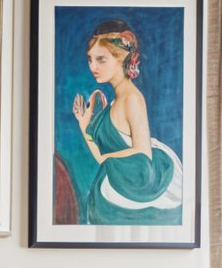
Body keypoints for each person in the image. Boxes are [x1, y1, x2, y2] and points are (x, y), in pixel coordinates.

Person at [70, 19, 182, 226]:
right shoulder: (117, 99)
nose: (93, 67)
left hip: (138, 185)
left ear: (121, 58)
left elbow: (142, 151)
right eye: (90, 59)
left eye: (101, 60)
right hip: (119, 180)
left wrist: (102, 152)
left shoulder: (132, 99)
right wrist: (84, 124)